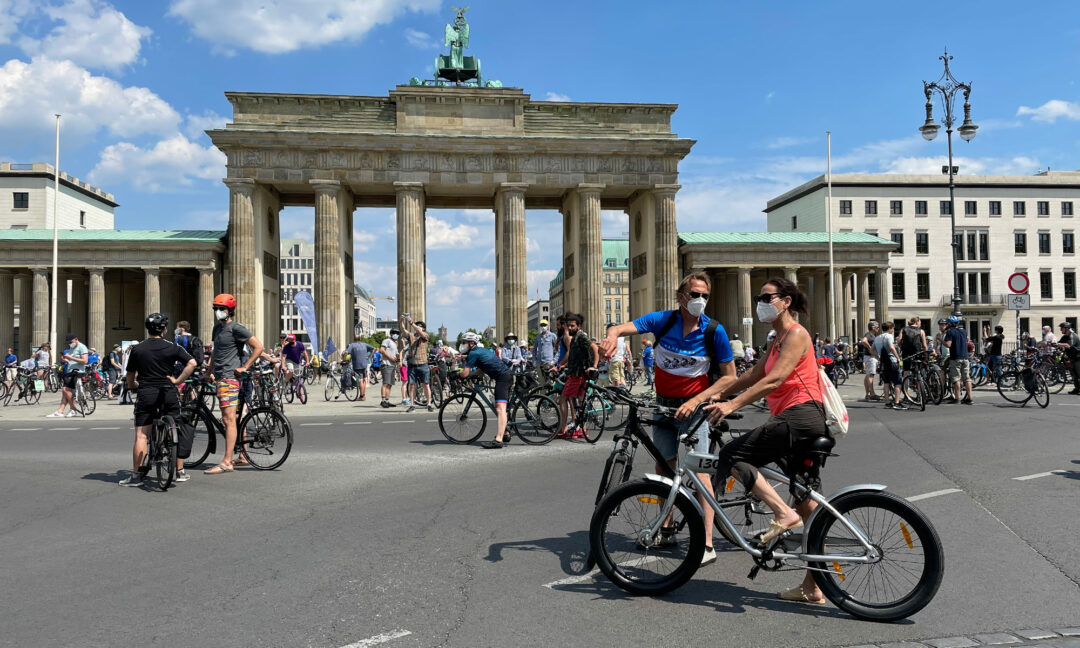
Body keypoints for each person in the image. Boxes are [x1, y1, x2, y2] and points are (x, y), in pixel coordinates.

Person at [695, 276, 830, 604]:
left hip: (800, 416)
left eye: (767, 297)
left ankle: (782, 514)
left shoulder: (796, 334)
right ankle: (814, 586)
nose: (761, 302)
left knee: (732, 455)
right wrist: (709, 395)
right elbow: (752, 376)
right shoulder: (777, 338)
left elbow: (775, 379)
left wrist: (731, 405)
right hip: (796, 420)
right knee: (809, 505)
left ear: (785, 301)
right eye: (759, 296)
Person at [599, 272, 736, 568]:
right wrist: (611, 336)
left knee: (700, 475)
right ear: (680, 296)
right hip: (663, 408)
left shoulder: (715, 331)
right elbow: (626, 327)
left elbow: (731, 377)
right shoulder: (664, 320)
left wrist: (698, 400)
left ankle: (707, 543)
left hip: (696, 410)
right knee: (664, 469)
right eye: (693, 294)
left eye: (704, 295)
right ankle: (666, 529)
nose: (699, 300)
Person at [120, 313, 197, 486]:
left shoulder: (138, 349)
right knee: (175, 428)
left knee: (141, 435)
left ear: (148, 329)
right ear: (165, 329)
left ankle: (136, 476)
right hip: (168, 391)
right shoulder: (173, 347)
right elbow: (192, 363)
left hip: (146, 391)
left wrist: (133, 385)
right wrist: (178, 380)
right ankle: (180, 471)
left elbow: (130, 374)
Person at [205, 293, 264, 474]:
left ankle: (226, 462)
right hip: (221, 376)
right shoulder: (217, 329)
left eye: (221, 309)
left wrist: (245, 366)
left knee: (228, 420)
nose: (218, 312)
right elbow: (216, 352)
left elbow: (259, 347)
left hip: (230, 378)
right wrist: (209, 370)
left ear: (230, 311)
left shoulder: (237, 328)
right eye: (216, 309)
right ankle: (242, 456)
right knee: (235, 418)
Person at [457, 331, 513, 449]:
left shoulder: (473, 354)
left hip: (502, 378)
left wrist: (457, 374)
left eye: (464, 342)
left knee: (500, 408)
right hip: (505, 375)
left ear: (471, 343)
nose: (462, 344)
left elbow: (464, 373)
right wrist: (472, 375)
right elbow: (480, 371)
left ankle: (498, 440)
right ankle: (506, 432)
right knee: (498, 405)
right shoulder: (480, 351)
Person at [556, 312, 599, 440]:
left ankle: (563, 429)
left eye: (572, 326)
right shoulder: (575, 338)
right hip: (578, 373)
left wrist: (594, 366)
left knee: (563, 399)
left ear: (579, 326)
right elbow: (575, 357)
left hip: (577, 375)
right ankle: (582, 429)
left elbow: (595, 348)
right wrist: (563, 366)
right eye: (568, 326)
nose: (570, 328)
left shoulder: (580, 337)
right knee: (579, 402)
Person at [47, 334, 88, 418]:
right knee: (64, 392)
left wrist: (71, 358)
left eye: (71, 342)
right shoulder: (72, 348)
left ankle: (73, 409)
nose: (70, 344)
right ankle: (60, 411)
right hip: (70, 371)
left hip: (77, 372)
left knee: (65, 389)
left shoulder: (82, 347)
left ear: (76, 339)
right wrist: (66, 359)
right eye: (68, 343)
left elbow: (85, 361)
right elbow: (72, 361)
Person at [402, 317, 433, 412]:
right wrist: (401, 321)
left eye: (420, 327)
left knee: (426, 385)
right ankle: (412, 405)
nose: (418, 328)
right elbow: (403, 330)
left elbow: (421, 333)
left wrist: (411, 322)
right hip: (412, 365)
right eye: (417, 326)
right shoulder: (411, 336)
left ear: (423, 328)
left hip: (423, 364)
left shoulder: (425, 336)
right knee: (412, 385)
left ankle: (429, 404)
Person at [874, 322, 906, 410]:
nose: (893, 330)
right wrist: (898, 358)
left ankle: (887, 402)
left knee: (886, 383)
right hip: (892, 361)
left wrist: (878, 357)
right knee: (897, 382)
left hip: (883, 363)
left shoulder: (877, 338)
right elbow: (891, 347)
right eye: (893, 328)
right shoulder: (889, 336)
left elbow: (872, 349)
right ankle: (897, 402)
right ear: (890, 328)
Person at [942, 316, 973, 404]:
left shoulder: (950, 332)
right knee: (967, 378)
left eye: (947, 323)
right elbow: (967, 340)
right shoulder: (964, 331)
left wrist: (940, 340)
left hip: (955, 357)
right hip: (965, 357)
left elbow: (948, 345)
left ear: (950, 324)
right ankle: (970, 398)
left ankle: (957, 398)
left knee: (956, 378)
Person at [345, 334, 373, 401]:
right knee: (364, 380)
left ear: (354, 339)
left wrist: (344, 357)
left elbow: (346, 352)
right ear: (360, 339)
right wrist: (369, 356)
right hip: (364, 364)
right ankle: (363, 396)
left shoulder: (352, 345)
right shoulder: (364, 344)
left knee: (360, 380)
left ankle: (361, 396)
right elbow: (374, 349)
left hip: (357, 365)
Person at [604, 323, 630, 388]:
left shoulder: (611, 338)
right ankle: (624, 391)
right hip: (621, 360)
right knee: (622, 378)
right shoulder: (622, 339)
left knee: (616, 380)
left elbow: (608, 349)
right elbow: (625, 350)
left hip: (614, 360)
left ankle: (618, 393)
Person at [379, 329, 400, 408]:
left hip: (392, 365)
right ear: (391, 334)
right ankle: (383, 400)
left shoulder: (395, 343)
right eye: (394, 333)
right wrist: (390, 358)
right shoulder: (387, 340)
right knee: (385, 383)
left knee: (390, 384)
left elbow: (396, 353)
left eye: (397, 333)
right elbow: (382, 350)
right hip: (386, 364)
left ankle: (387, 400)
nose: (395, 334)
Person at [860, 321, 881, 401]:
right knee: (871, 375)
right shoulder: (869, 335)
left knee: (868, 375)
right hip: (870, 357)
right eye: (877, 327)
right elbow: (863, 341)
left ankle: (867, 394)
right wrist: (870, 348)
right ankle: (872, 393)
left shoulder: (872, 335)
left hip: (870, 356)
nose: (878, 328)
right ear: (873, 327)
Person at [534, 319, 558, 388]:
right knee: (542, 383)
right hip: (539, 363)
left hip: (548, 363)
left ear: (548, 326)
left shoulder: (552, 336)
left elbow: (558, 349)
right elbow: (534, 349)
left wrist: (554, 361)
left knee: (550, 382)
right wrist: (534, 361)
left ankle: (552, 398)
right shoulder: (538, 337)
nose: (543, 327)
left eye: (544, 325)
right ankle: (543, 398)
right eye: (541, 325)